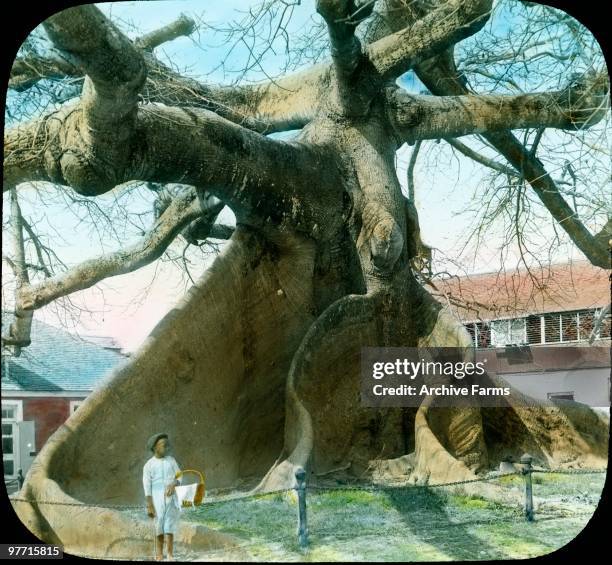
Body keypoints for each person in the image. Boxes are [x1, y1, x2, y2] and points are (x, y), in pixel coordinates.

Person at [143, 433, 182, 561]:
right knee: (158, 524)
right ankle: (159, 554)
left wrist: (174, 483)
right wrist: (149, 503)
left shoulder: (171, 460)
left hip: (171, 497)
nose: (167, 447)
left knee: (169, 525)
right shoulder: (149, 465)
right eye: (164, 445)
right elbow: (147, 485)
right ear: (155, 447)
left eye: (168, 445)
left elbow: (179, 475)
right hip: (156, 498)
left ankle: (170, 554)